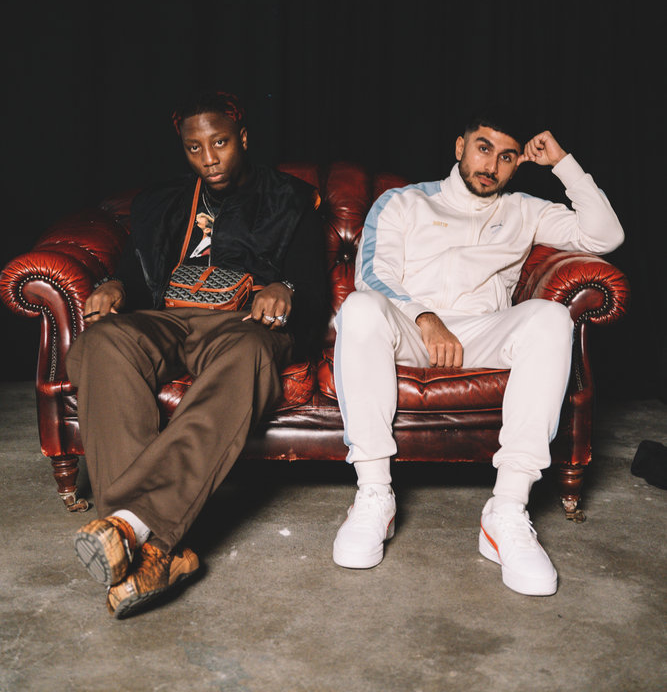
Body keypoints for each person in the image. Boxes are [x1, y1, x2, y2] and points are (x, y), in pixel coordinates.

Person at [331, 112, 624, 596]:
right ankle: (374, 495)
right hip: (411, 329)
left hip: (482, 333)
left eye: (507, 156)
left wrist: (563, 164)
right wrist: (427, 319)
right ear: (460, 147)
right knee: (359, 308)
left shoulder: (525, 209)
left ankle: (506, 509)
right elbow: (373, 275)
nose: (492, 165)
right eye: (483, 148)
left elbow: (606, 237)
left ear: (517, 164)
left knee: (552, 318)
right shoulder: (403, 201)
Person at [66, 89, 326, 618]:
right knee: (101, 342)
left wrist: (287, 289)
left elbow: (313, 289)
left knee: (247, 355)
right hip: (168, 317)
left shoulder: (289, 198)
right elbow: (139, 274)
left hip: (243, 323)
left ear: (242, 139)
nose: (209, 158)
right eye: (194, 148)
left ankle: (134, 532)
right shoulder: (161, 202)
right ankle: (161, 548)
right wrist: (116, 284)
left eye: (220, 143)